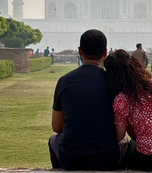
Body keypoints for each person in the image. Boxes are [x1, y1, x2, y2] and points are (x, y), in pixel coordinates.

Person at [48, 29, 122, 170]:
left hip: (72, 159)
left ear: (80, 51)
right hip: (107, 159)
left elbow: (57, 127)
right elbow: (120, 131)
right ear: (105, 53)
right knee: (125, 143)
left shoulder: (64, 81)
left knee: (54, 139)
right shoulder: (114, 82)